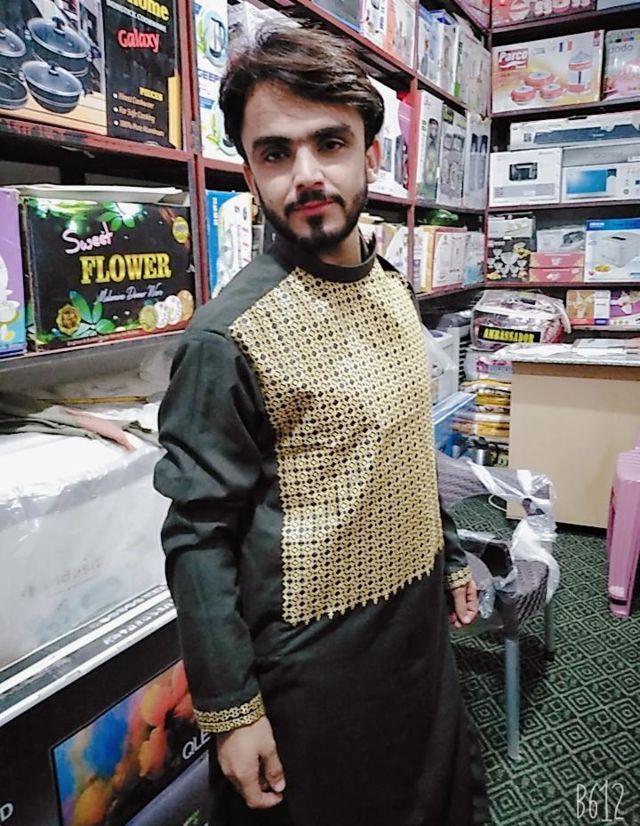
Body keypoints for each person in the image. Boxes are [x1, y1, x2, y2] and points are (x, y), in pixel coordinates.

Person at [154, 24, 489, 826]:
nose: (305, 174)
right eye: (276, 153)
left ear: (370, 154)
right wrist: (230, 710)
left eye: (329, 143)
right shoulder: (224, 338)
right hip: (313, 666)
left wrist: (447, 556)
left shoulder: (392, 287)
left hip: (416, 633)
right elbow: (197, 535)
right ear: (250, 172)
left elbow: (403, 447)